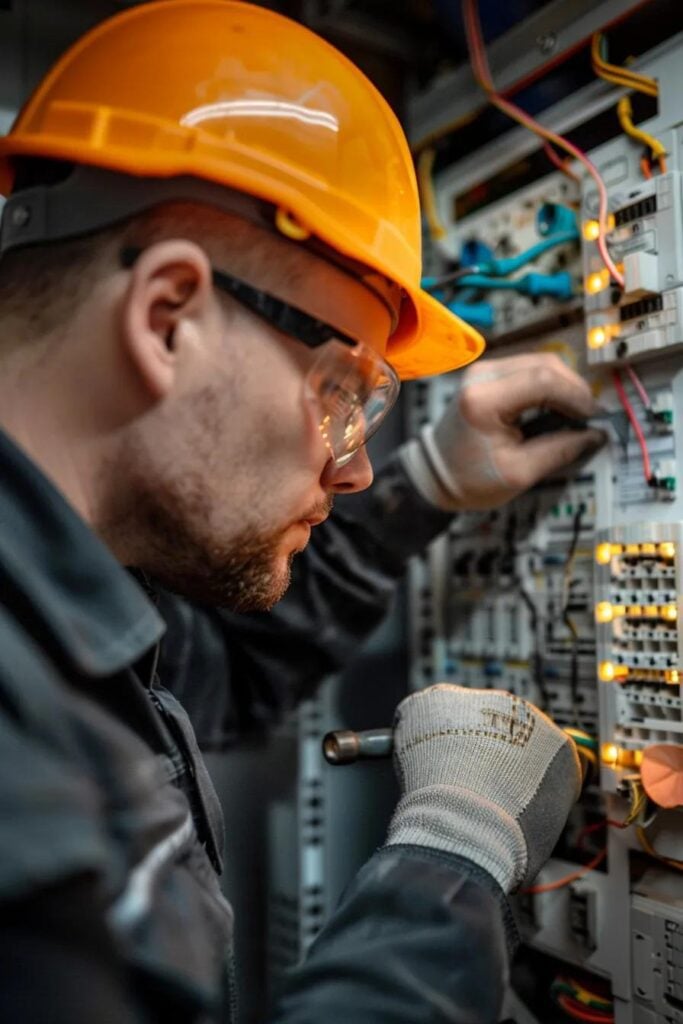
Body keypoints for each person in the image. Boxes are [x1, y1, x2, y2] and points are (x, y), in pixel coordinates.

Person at [0, 3, 603, 1021]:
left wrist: (436, 482)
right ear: (167, 318)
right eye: (341, 393)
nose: (356, 465)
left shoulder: (60, 622)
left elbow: (222, 674)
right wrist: (452, 855)